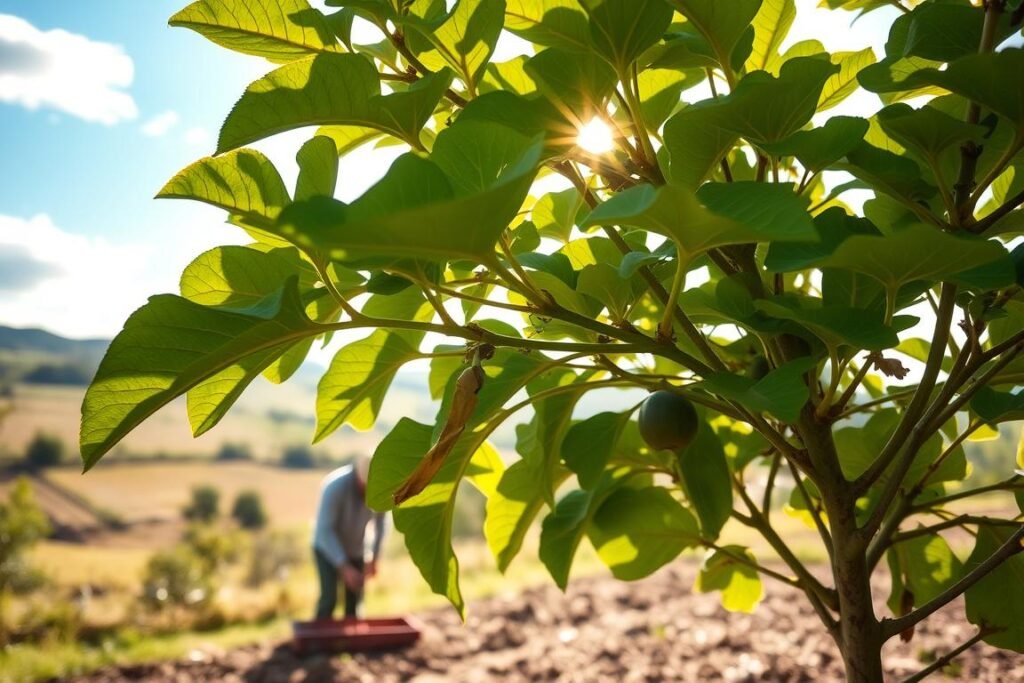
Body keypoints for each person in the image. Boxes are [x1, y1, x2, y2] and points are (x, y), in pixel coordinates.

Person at [312, 455, 386, 620]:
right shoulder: (335, 487)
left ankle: (352, 641)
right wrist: (344, 567)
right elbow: (325, 530)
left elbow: (381, 524)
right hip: (326, 548)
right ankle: (320, 640)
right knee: (329, 597)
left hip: (357, 547)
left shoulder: (381, 489)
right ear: (359, 478)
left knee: (355, 599)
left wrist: (374, 558)